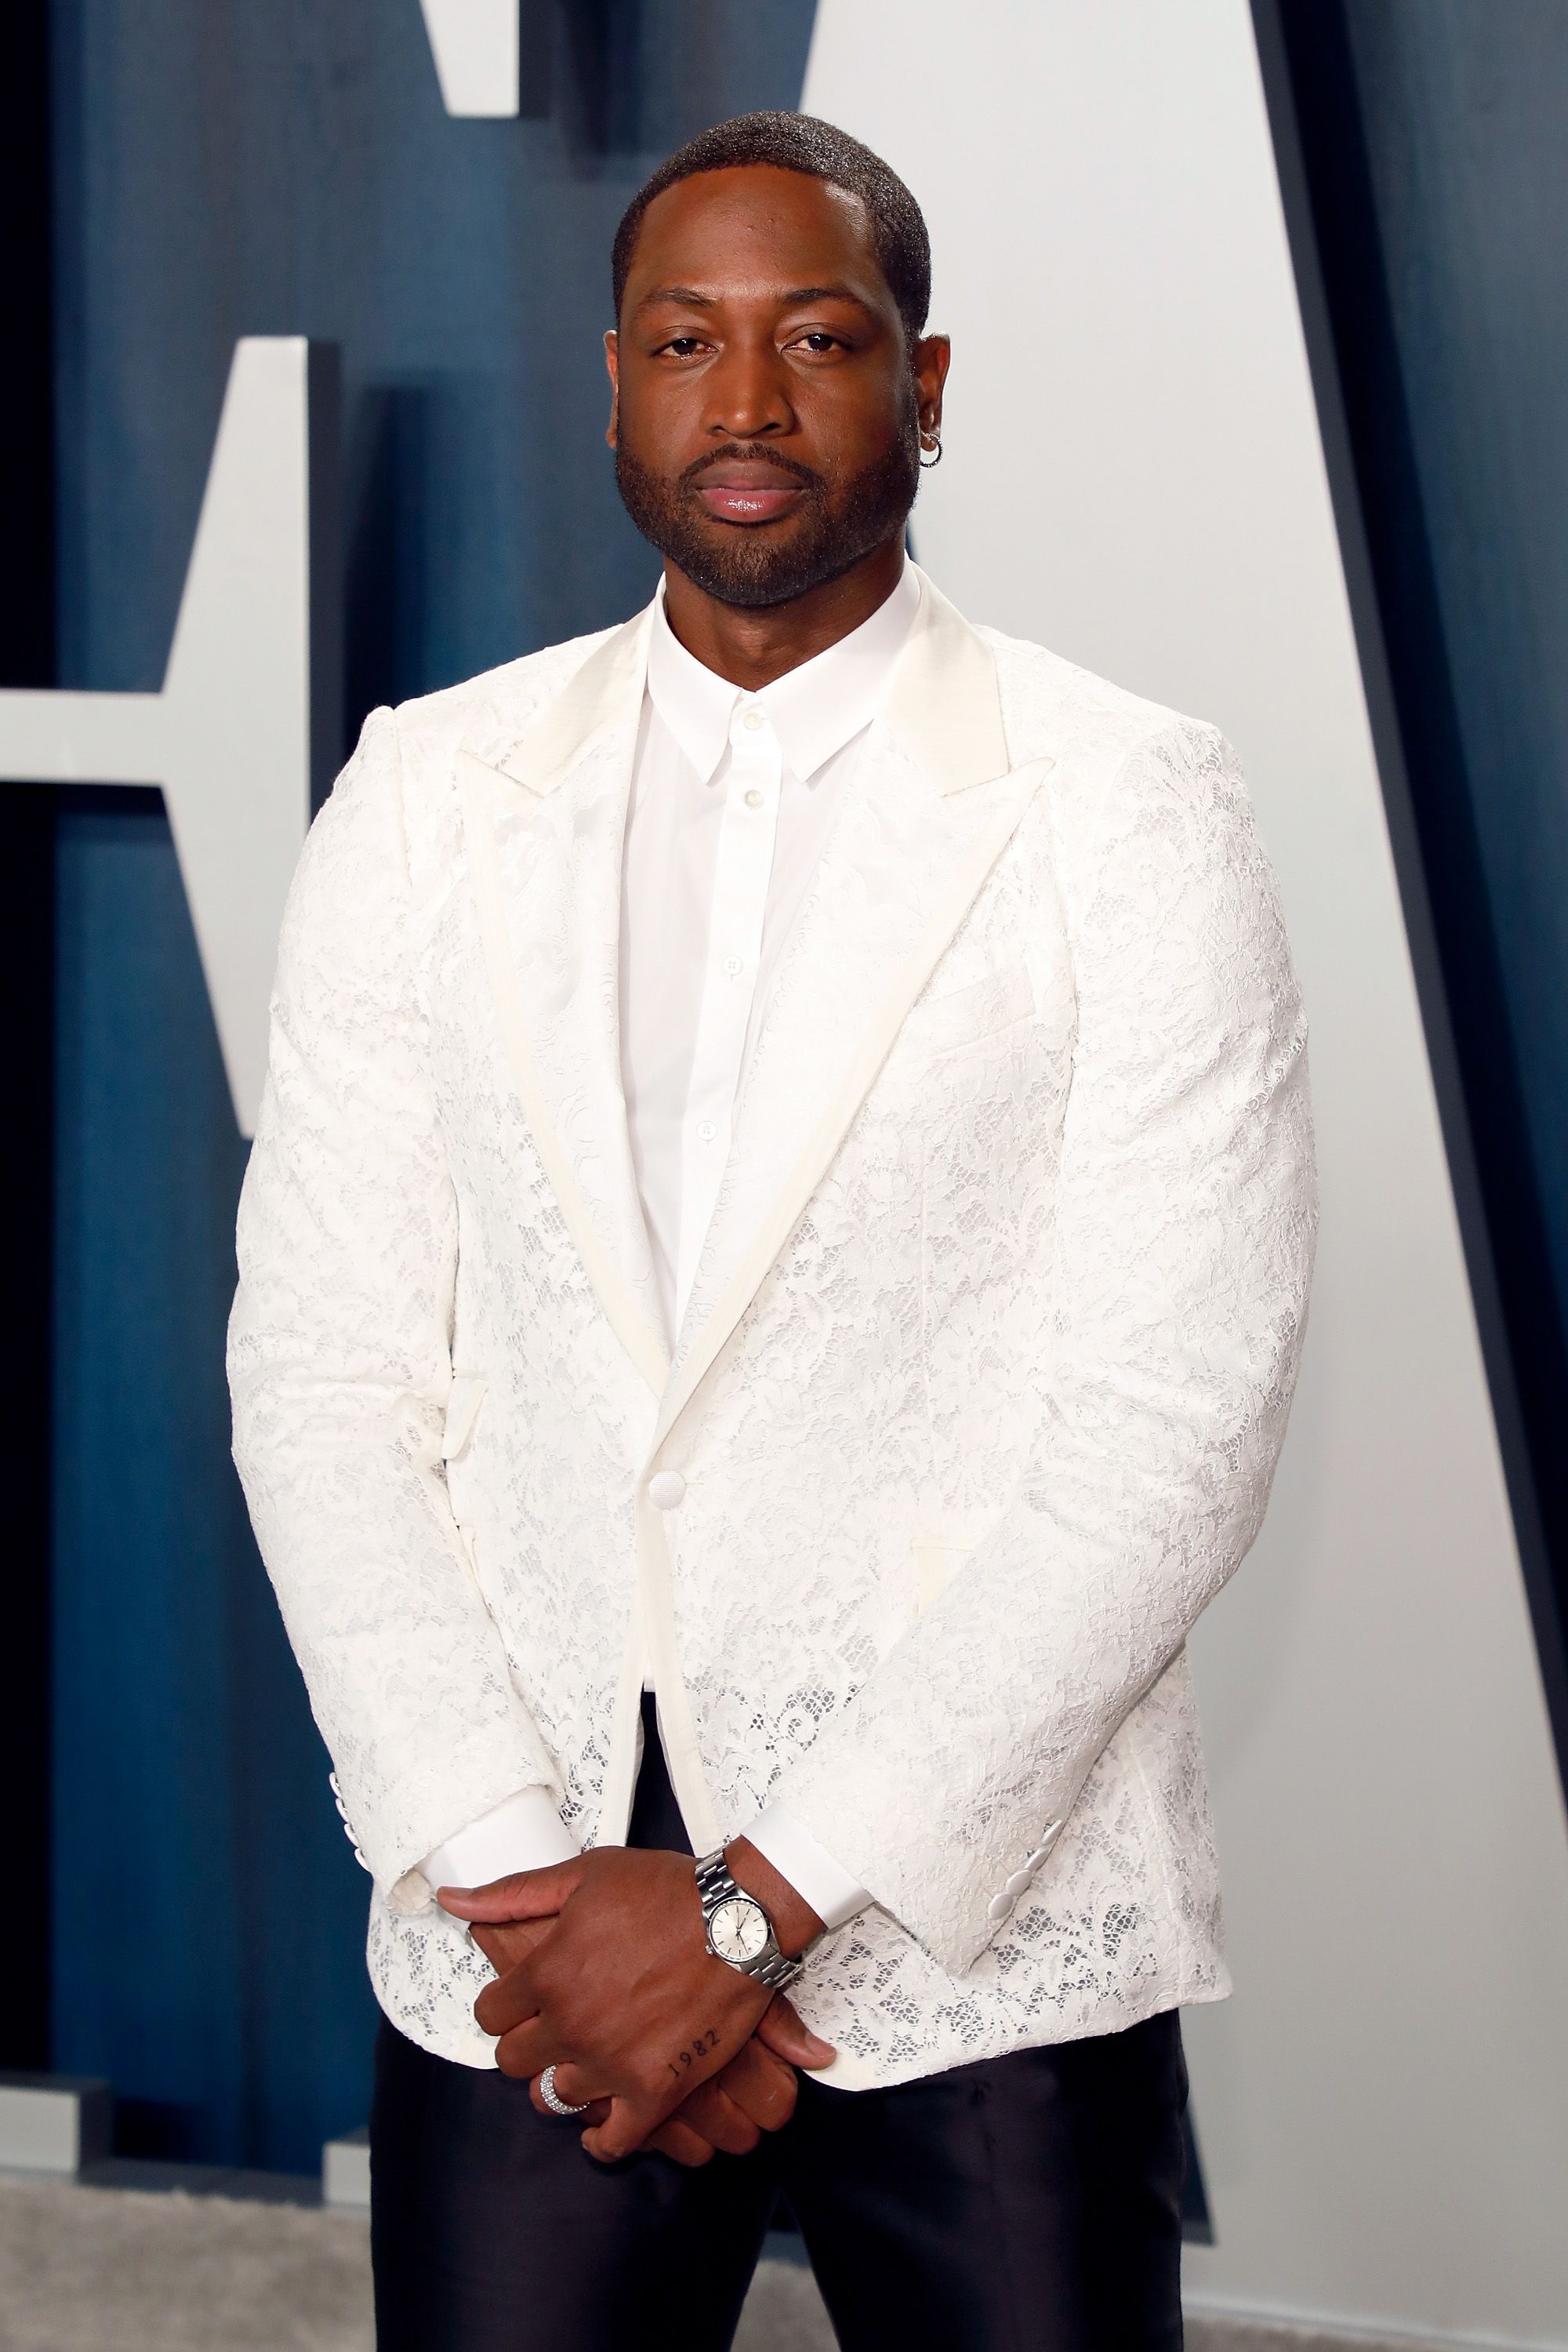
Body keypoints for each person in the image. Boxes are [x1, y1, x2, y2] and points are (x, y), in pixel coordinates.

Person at [229, 110, 1316, 2352]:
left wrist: (740, 1918)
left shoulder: (1126, 805)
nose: (745, 404)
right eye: (683, 342)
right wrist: (541, 1895)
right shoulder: (431, 792)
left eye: (816, 339)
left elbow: (1168, 1428)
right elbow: (327, 1383)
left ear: (922, 385)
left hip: (968, 1914)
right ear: (612, 381)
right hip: (532, 1925)